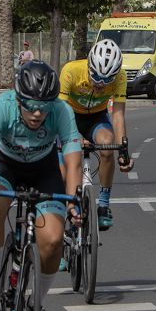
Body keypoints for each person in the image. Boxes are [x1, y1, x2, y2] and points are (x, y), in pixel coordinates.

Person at [0, 62, 82, 311]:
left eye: (44, 107)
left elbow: (72, 162)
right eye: (32, 106)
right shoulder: (0, 108)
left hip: (43, 170)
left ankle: (38, 303)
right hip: (5, 166)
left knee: (53, 239)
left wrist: (73, 201)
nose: (37, 114)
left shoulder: (61, 111)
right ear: (18, 98)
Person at [59, 39, 134, 231]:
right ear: (89, 65)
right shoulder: (71, 70)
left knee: (108, 146)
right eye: (96, 77)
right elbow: (61, 110)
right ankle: (61, 212)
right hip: (70, 117)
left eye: (107, 80)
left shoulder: (121, 77)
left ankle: (103, 204)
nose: (100, 84)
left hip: (96, 118)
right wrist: (75, 136)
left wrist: (124, 150)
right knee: (63, 170)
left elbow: (117, 114)